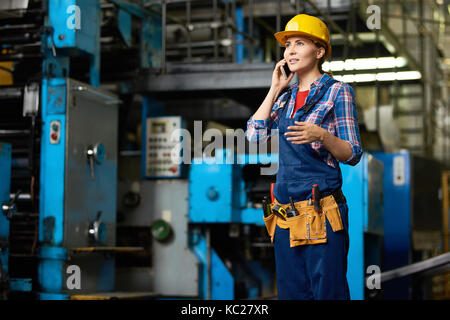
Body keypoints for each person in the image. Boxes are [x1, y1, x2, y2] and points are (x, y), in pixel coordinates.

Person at [246, 14, 363, 300]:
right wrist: (274, 90)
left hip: (323, 213)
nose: (291, 51)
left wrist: (322, 135)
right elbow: (254, 135)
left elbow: (353, 153)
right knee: (291, 293)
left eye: (300, 43)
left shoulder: (337, 92)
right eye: (287, 45)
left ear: (319, 51)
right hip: (286, 215)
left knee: (327, 292)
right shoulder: (284, 98)